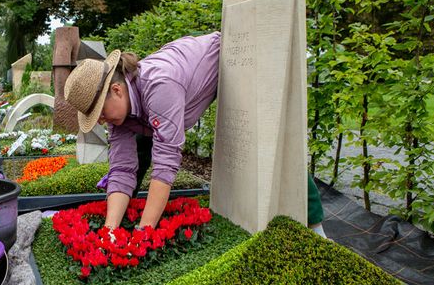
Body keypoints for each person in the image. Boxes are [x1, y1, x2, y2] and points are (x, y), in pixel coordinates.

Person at [64, 33, 328, 238]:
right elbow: (121, 168)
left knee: (272, 136)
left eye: (99, 111)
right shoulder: (119, 115)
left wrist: (143, 235)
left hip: (233, 63)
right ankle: (124, 219)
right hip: (157, 103)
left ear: (118, 90)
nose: (100, 120)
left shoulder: (160, 85)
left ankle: (315, 225)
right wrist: (109, 232)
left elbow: (166, 165)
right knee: (136, 149)